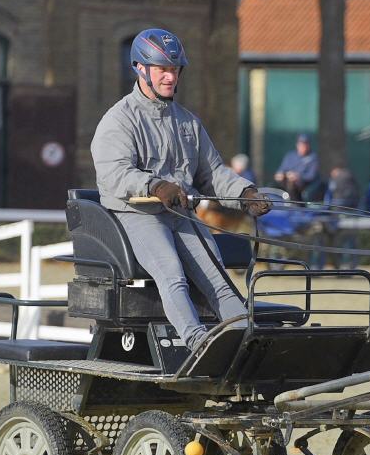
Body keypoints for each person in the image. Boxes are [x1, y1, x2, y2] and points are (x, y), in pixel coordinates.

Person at [91, 27, 271, 352]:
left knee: (219, 280)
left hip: (181, 215)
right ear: (140, 69)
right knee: (172, 275)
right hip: (139, 214)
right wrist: (156, 185)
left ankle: (250, 344)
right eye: (162, 69)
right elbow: (114, 173)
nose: (170, 77)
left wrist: (245, 194)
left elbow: (212, 172)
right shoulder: (118, 121)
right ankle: (198, 344)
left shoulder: (188, 123)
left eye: (174, 70)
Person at [274, 134, 320, 201]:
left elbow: (311, 176)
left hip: (303, 186)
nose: (303, 147)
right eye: (301, 144)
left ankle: (294, 206)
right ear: (297, 145)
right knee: (275, 186)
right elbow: (281, 170)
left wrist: (298, 176)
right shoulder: (290, 156)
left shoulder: (313, 157)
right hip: (285, 183)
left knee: (291, 184)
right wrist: (280, 174)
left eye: (305, 144)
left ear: (308, 145)